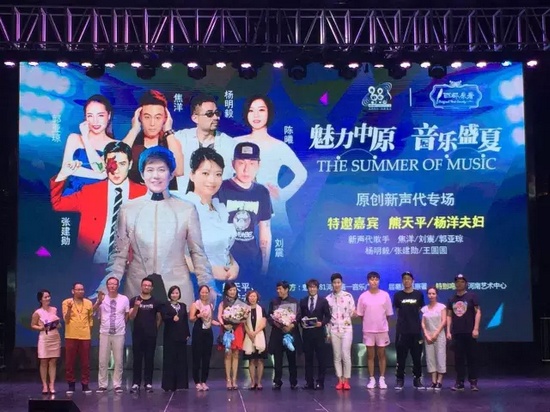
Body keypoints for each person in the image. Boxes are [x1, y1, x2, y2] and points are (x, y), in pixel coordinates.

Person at [96, 146, 215, 307]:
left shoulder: (187, 209)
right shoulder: (128, 209)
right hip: (137, 289)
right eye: (150, 170)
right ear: (142, 174)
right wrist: (106, 286)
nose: (156, 175)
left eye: (161, 170)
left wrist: (207, 285)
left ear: (171, 174)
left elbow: (198, 253)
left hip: (177, 290)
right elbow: (118, 256)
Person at [50, 142, 147, 266]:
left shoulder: (144, 193)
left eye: (122, 164)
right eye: (112, 163)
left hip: (129, 267)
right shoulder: (90, 192)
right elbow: (58, 204)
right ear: (105, 164)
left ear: (130, 164)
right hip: (92, 264)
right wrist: (63, 174)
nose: (116, 170)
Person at [235, 95, 307, 233]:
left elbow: (302, 174)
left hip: (272, 207)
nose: (256, 115)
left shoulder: (279, 146)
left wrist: (282, 195)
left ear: (269, 113)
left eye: (261, 110)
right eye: (251, 110)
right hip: (242, 207)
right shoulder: (235, 142)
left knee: (276, 240)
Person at [217, 142, 273, 279]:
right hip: (225, 263)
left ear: (258, 165)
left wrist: (264, 268)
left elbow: (265, 231)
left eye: (252, 163)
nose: (246, 169)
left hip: (251, 261)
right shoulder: (220, 188)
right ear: (233, 164)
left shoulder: (262, 192)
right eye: (241, 163)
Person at [183, 147, 238, 282]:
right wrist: (210, 270)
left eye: (218, 174)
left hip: (224, 284)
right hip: (195, 282)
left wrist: (234, 265)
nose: (212, 180)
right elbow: (172, 254)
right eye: (205, 173)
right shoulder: (184, 208)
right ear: (192, 175)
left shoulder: (220, 208)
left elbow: (222, 248)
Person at [174, 93, 236, 194]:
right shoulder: (181, 138)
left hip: (218, 199)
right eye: (209, 114)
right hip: (185, 199)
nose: (216, 117)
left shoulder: (229, 143)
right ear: (195, 118)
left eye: (217, 113)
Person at [123, 90, 183, 190]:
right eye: (147, 117)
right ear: (139, 117)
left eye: (158, 117)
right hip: (135, 197)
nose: (152, 123)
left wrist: (168, 130)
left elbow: (178, 171)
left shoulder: (171, 142)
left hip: (165, 198)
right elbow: (116, 163)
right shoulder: (131, 142)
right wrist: (134, 129)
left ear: (165, 118)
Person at [59, 95, 117, 195]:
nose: (95, 121)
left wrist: (86, 140)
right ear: (85, 117)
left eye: (100, 115)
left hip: (98, 197)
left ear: (109, 115)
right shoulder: (74, 138)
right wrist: (100, 176)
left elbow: (100, 168)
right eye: (90, 116)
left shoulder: (116, 145)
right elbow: (66, 169)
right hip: (72, 195)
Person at [356, 271, 393, 390]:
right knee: (370, 355)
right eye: (372, 279)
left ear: (379, 281)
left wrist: (380, 323)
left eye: (376, 279)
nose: (374, 281)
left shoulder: (385, 295)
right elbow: (361, 314)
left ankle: (382, 379)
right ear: (368, 281)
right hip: (368, 330)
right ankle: (371, 379)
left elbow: (388, 314)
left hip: (382, 330)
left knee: (381, 355)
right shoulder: (363, 296)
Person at [446, 274, 481, 391]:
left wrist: (476, 328)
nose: (459, 284)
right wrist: (448, 331)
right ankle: (460, 382)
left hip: (470, 332)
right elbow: (449, 315)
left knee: (472, 358)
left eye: (462, 281)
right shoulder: (452, 299)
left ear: (466, 283)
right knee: (458, 359)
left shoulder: (471, 296)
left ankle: (473, 382)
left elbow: (478, 312)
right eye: (457, 282)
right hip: (457, 333)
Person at [95, 276, 130, 393]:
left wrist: (121, 325)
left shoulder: (124, 299)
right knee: (102, 360)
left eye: (114, 284)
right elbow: (94, 312)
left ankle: (117, 384)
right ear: (107, 286)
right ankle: (102, 384)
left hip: (119, 333)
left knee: (119, 360)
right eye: (110, 284)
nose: (112, 286)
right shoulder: (102, 298)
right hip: (104, 332)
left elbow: (126, 315)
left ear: (118, 285)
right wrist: (98, 302)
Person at [393, 271, 426, 390]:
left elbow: (420, 309)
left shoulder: (418, 294)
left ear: (412, 281)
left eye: (408, 279)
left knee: (417, 357)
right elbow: (397, 310)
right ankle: (400, 379)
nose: (406, 281)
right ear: (402, 281)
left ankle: (417, 379)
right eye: (404, 279)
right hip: (402, 331)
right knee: (401, 358)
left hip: (416, 331)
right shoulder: (398, 295)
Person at [129, 277, 162, 393]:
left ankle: (148, 383)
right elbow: (131, 317)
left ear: (151, 288)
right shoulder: (134, 300)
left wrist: (154, 329)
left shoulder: (156, 302)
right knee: (137, 359)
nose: (146, 287)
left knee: (149, 359)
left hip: (151, 335)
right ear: (141, 286)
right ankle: (135, 383)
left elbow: (159, 318)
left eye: (149, 285)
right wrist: (136, 306)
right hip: (137, 334)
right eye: (145, 285)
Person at [267, 280, 302, 390]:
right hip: (278, 334)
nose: (278, 291)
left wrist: (291, 325)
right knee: (278, 359)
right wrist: (276, 324)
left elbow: (298, 316)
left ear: (286, 289)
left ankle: (293, 382)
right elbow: (269, 316)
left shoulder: (294, 301)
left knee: (292, 359)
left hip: (290, 333)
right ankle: (277, 381)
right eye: (277, 289)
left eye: (280, 289)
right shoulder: (274, 302)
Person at [326, 273, 356, 390]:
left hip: (346, 329)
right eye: (334, 283)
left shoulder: (348, 296)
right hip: (333, 330)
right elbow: (327, 318)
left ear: (341, 283)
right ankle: (340, 380)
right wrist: (328, 333)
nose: (336, 284)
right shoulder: (328, 299)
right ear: (332, 284)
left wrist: (355, 313)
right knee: (337, 355)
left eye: (338, 282)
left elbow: (352, 312)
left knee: (345, 354)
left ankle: (346, 380)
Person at [62, 283, 93, 394]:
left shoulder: (88, 303)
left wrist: (87, 331)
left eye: (82, 289)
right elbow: (66, 319)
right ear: (73, 291)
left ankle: (85, 384)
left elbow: (90, 320)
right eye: (78, 289)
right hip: (71, 335)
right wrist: (69, 309)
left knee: (85, 362)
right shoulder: (66, 302)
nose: (80, 291)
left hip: (85, 336)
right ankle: (71, 384)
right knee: (70, 362)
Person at [299, 278, 331, 390]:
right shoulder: (303, 301)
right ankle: (309, 382)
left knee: (321, 359)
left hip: (319, 334)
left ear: (317, 288)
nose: (312, 289)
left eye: (314, 287)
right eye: (310, 287)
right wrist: (302, 322)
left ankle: (320, 382)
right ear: (307, 288)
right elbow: (300, 316)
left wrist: (321, 323)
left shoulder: (323, 301)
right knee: (308, 359)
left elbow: (328, 316)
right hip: (307, 334)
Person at [31, 289, 61, 395]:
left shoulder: (54, 309)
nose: (48, 298)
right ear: (41, 299)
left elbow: (58, 323)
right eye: (45, 297)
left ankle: (52, 385)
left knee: (53, 361)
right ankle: (44, 385)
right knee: (43, 361)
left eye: (49, 296)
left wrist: (57, 324)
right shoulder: (37, 312)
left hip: (55, 336)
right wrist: (41, 328)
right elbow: (33, 325)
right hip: (44, 338)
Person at [189, 285, 220, 391]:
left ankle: (204, 381)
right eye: (202, 292)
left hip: (208, 333)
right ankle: (197, 382)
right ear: (199, 293)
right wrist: (199, 315)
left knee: (206, 358)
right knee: (197, 357)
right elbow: (191, 319)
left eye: (206, 292)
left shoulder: (210, 305)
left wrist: (219, 323)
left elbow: (210, 320)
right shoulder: (195, 304)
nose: (204, 294)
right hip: (198, 332)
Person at [160, 285, 190, 392]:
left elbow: (185, 321)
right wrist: (172, 318)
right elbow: (164, 317)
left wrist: (187, 333)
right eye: (173, 293)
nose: (175, 295)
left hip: (181, 336)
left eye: (177, 293)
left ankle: (181, 384)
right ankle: (169, 385)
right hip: (170, 336)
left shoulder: (183, 306)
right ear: (170, 294)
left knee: (181, 359)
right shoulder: (165, 305)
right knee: (170, 360)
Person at [217, 282, 246, 390]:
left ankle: (234, 380)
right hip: (226, 330)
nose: (232, 292)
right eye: (230, 290)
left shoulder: (241, 303)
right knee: (228, 354)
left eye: (234, 290)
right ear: (226, 291)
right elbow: (219, 316)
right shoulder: (223, 303)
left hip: (237, 330)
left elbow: (244, 317)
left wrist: (240, 319)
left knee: (236, 354)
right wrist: (224, 325)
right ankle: (228, 380)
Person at [421, 286, 447, 390]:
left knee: (440, 356)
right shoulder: (424, 309)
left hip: (439, 335)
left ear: (436, 295)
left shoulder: (442, 307)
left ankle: (439, 381)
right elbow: (423, 323)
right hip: (428, 336)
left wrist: (436, 333)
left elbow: (444, 321)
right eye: (429, 294)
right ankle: (433, 381)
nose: (431, 295)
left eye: (433, 293)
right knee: (430, 358)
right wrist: (426, 334)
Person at [243, 289, 268, 390]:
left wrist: (255, 332)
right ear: (247, 298)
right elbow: (244, 323)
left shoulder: (261, 309)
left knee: (260, 360)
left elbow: (264, 322)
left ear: (257, 298)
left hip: (259, 335)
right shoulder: (245, 309)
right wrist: (249, 333)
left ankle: (259, 382)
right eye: (250, 296)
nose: (252, 298)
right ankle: (253, 382)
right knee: (252, 360)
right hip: (249, 336)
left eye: (254, 296)